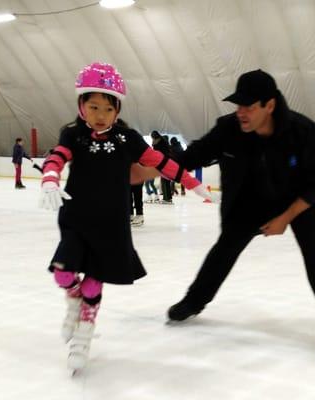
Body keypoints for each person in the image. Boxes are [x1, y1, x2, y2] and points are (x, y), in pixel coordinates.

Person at [38, 62, 211, 372]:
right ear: (82, 105)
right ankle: (73, 302)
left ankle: (84, 335)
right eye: (93, 106)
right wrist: (50, 178)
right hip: (77, 218)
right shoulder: (73, 134)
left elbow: (161, 162)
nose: (100, 114)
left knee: (93, 284)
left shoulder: (127, 138)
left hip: (111, 224)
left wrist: (192, 183)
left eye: (107, 108)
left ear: (117, 109)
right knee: (64, 275)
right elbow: (57, 157)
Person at [167, 69, 315, 348]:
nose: (241, 112)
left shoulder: (304, 132)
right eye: (238, 105)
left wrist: (285, 218)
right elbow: (193, 155)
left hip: (299, 199)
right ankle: (194, 301)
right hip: (250, 199)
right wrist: (156, 166)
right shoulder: (229, 129)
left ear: (270, 105)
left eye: (249, 106)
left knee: (314, 250)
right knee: (225, 247)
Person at [151, 131, 173, 204]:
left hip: (163, 163)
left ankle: (166, 198)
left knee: (164, 181)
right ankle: (168, 198)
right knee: (166, 181)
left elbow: (156, 153)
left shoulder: (157, 143)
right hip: (168, 162)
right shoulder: (164, 141)